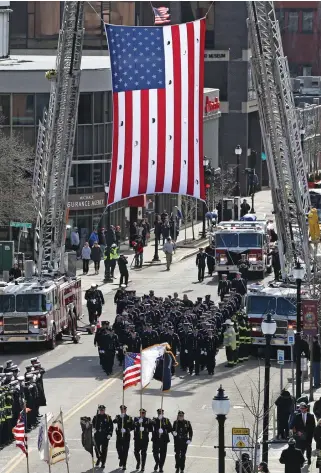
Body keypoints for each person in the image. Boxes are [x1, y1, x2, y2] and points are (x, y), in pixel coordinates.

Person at [113, 405, 134, 471]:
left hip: (126, 436)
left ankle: (124, 464)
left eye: (124, 409)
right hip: (119, 435)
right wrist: (118, 419)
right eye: (121, 409)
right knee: (118, 448)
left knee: (125, 451)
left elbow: (132, 427)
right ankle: (121, 458)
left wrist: (127, 429)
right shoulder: (118, 416)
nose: (123, 411)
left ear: (126, 410)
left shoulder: (129, 418)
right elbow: (114, 421)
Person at [152, 408, 172, 473]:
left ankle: (161, 467)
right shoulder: (155, 420)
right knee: (155, 453)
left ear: (163, 413)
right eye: (159, 413)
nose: (160, 414)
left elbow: (170, 429)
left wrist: (164, 431)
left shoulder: (166, 420)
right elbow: (152, 425)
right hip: (156, 439)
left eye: (161, 413)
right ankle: (157, 462)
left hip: (164, 440)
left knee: (163, 455)